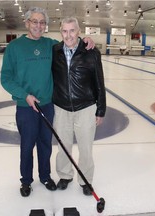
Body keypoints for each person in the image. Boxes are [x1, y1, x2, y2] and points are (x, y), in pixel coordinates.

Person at [0, 7, 95, 197]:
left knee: (45, 144)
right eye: (34, 21)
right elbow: (6, 78)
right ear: (27, 23)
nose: (38, 25)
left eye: (42, 22)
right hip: (26, 107)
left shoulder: (51, 45)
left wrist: (86, 39)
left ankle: (45, 176)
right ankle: (26, 181)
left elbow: (71, 42)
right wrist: (24, 95)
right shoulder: (14, 47)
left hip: (47, 105)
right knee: (27, 146)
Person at [52, 17, 106, 196]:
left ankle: (85, 180)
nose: (68, 35)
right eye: (65, 31)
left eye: (72, 31)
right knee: (63, 146)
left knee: (85, 148)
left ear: (79, 32)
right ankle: (65, 175)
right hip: (61, 107)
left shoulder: (91, 52)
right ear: (61, 32)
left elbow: (99, 82)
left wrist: (101, 109)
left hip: (85, 107)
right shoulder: (55, 51)